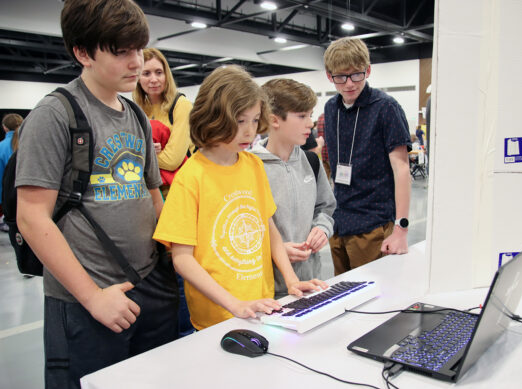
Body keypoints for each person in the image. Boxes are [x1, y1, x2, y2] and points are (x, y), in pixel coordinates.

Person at [15, 1, 178, 388]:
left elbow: (152, 194)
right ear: (83, 53)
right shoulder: (55, 115)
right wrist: (92, 298)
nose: (136, 62)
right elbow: (31, 216)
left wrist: (174, 259)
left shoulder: (136, 114)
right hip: (86, 299)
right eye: (121, 52)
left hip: (150, 285)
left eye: (138, 49)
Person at [153, 65, 326, 330]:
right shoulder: (192, 176)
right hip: (218, 316)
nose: (249, 131)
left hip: (263, 304)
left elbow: (268, 228)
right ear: (214, 117)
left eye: (255, 120)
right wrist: (234, 304)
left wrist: (291, 281)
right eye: (240, 120)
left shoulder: (253, 165)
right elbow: (182, 259)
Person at [323, 37, 412, 275]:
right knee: (343, 298)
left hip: (372, 224)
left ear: (368, 70)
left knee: (375, 301)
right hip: (339, 223)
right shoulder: (331, 109)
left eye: (356, 75)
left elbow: (402, 168)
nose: (349, 83)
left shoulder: (386, 108)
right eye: (340, 76)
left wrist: (401, 229)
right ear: (329, 76)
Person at [251, 78, 336, 299]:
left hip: (310, 281)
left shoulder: (311, 161)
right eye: (302, 116)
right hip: (267, 290)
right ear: (274, 120)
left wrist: (322, 229)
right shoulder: (250, 167)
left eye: (310, 114)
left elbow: (326, 208)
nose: (311, 123)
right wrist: (273, 250)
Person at [133, 47, 193, 198]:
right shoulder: (139, 110)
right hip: (150, 193)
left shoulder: (181, 105)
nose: (154, 79)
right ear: (138, 78)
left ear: (166, 75)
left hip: (179, 192)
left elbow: (172, 160)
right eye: (146, 73)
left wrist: (142, 154)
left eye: (159, 72)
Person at [0, 113, 23, 232]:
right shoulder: (29, 144)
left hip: (7, 200)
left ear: (5, 127)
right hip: (27, 198)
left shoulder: (1, 147)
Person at [316, 112, 332, 181]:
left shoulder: (320, 117)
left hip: (323, 153)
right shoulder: (333, 116)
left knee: (325, 179)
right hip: (333, 154)